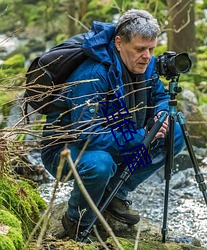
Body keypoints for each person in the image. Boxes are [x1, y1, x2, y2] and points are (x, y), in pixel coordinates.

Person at [41, 9, 185, 241]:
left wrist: (161, 114)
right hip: (67, 149)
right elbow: (86, 134)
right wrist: (143, 135)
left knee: (175, 132)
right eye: (140, 49)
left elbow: (159, 96)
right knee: (100, 164)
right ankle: (76, 221)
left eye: (151, 49)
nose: (147, 56)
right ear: (119, 43)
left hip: (119, 135)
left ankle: (115, 193)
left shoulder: (145, 64)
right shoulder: (93, 74)